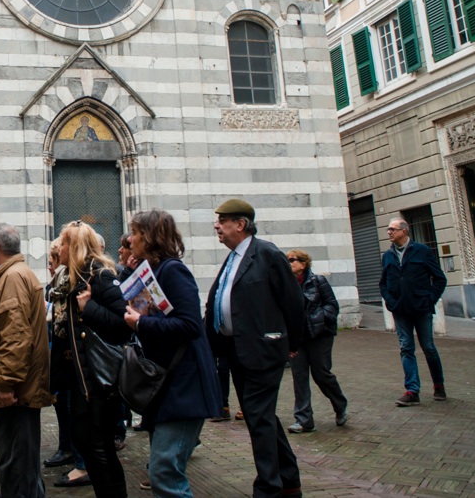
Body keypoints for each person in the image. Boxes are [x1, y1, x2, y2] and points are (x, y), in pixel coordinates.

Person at [204, 199, 304, 498]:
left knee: (258, 416)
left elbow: (293, 301)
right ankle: (289, 480)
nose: (216, 226)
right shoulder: (233, 257)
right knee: (261, 416)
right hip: (236, 350)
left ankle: (268, 489)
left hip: (263, 350)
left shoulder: (267, 253)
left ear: (241, 224)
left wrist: (292, 344)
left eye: (222, 221)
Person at [122, 210, 222, 498]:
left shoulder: (173, 270)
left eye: (135, 233)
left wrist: (140, 322)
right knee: (162, 469)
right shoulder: (155, 270)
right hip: (167, 385)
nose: (130, 238)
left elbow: (190, 324)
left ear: (149, 237)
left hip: (183, 384)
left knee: (165, 470)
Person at [49, 220, 130, 498]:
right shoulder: (71, 279)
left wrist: (90, 308)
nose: (58, 246)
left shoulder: (101, 276)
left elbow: (125, 324)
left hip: (99, 380)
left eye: (63, 241)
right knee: (85, 442)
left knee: (100, 448)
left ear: (75, 247)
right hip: (80, 380)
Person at [0, 223, 51, 498]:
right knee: (20, 460)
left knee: (16, 462)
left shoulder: (12, 278)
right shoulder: (11, 275)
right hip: (18, 387)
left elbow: (15, 337)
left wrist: (6, 384)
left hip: (15, 391)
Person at [380, 218, 448, 407]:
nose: (389, 232)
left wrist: (429, 299)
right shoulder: (388, 256)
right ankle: (412, 391)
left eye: (392, 229)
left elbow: (440, 279)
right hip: (400, 310)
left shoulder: (422, 251)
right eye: (388, 229)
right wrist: (390, 301)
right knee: (406, 348)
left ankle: (438, 385)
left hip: (421, 308)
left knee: (428, 347)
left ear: (404, 231)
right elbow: (383, 283)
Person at [285, 249, 348, 433]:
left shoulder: (317, 281)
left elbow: (332, 305)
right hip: (297, 336)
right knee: (299, 376)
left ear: (303, 264)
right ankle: (304, 420)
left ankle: (340, 404)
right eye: (287, 260)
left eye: (292, 260)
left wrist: (319, 318)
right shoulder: (286, 285)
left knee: (321, 374)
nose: (288, 263)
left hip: (320, 334)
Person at [43, 242, 76, 473]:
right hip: (58, 348)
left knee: (67, 403)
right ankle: (68, 446)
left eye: (51, 260)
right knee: (61, 402)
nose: (49, 266)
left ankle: (70, 449)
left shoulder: (67, 280)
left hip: (67, 352)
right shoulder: (56, 282)